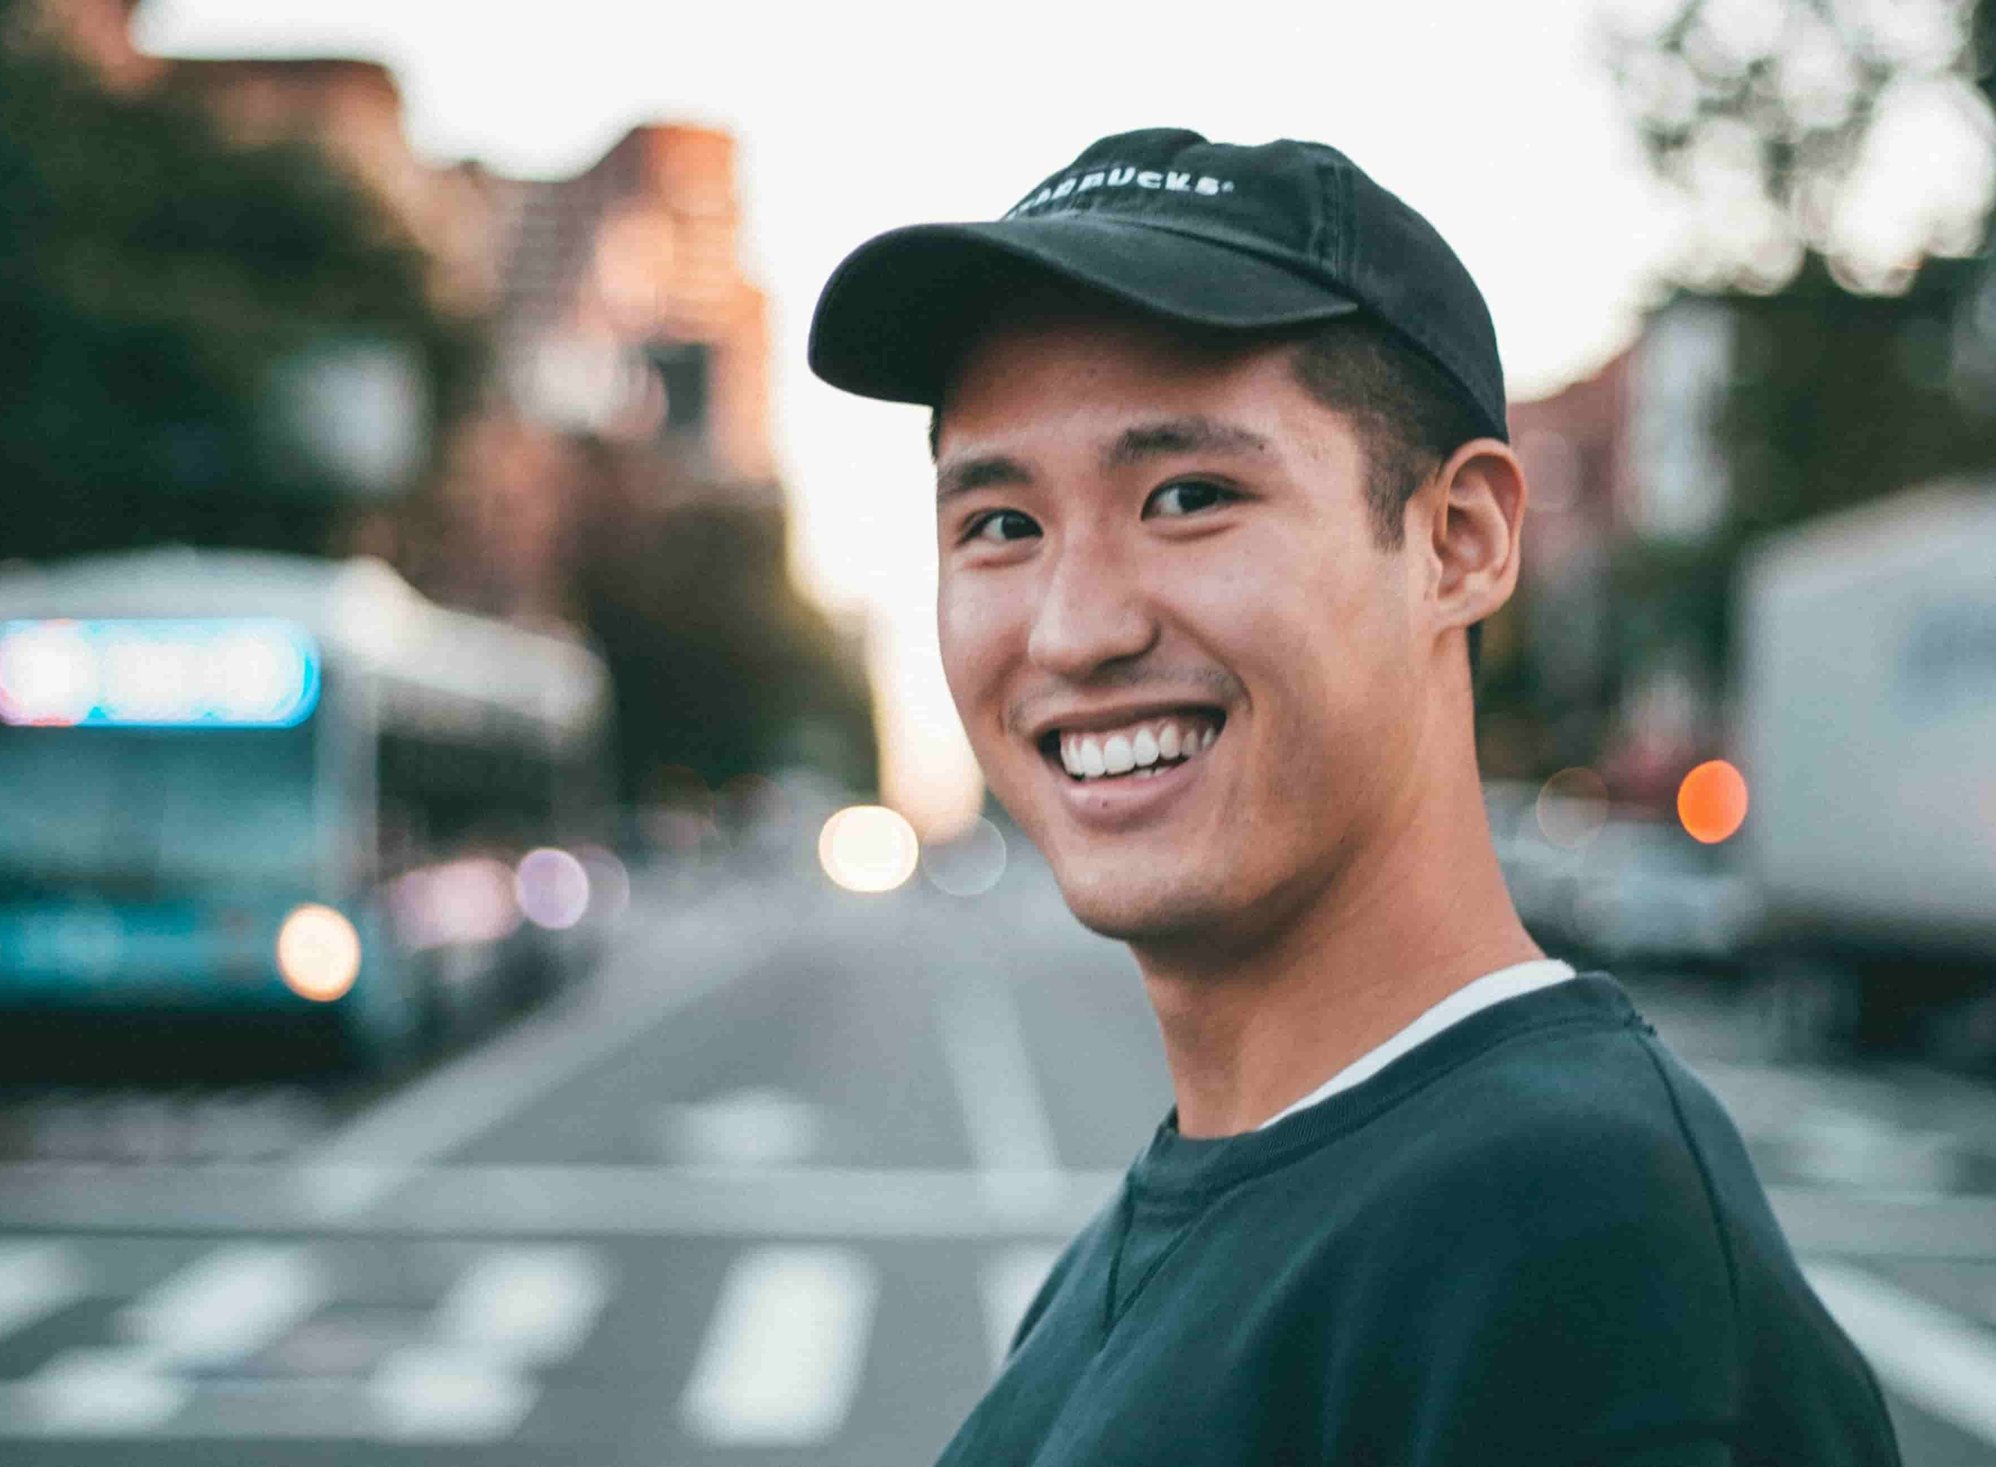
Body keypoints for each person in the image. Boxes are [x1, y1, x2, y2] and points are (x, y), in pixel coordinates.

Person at [809, 128, 1900, 1467]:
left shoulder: (1572, 1246)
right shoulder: (1173, 1224)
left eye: (1189, 496)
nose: (1073, 628)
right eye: (1001, 525)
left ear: (1460, 541)